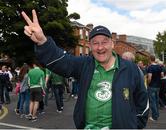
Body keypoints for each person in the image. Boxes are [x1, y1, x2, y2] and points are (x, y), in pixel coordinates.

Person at [21, 10, 149, 129]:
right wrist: (43, 41)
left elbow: (142, 103)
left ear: (112, 44)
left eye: (104, 42)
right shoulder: (84, 65)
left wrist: (133, 126)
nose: (100, 47)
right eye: (95, 43)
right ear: (90, 45)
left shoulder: (130, 69)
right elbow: (61, 61)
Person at [147, 56, 163, 121]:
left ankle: (154, 117)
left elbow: (150, 77)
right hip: (158, 86)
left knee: (152, 101)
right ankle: (157, 114)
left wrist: (148, 83)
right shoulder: (159, 67)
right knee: (156, 101)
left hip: (152, 86)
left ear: (150, 60)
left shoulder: (150, 67)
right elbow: (162, 75)